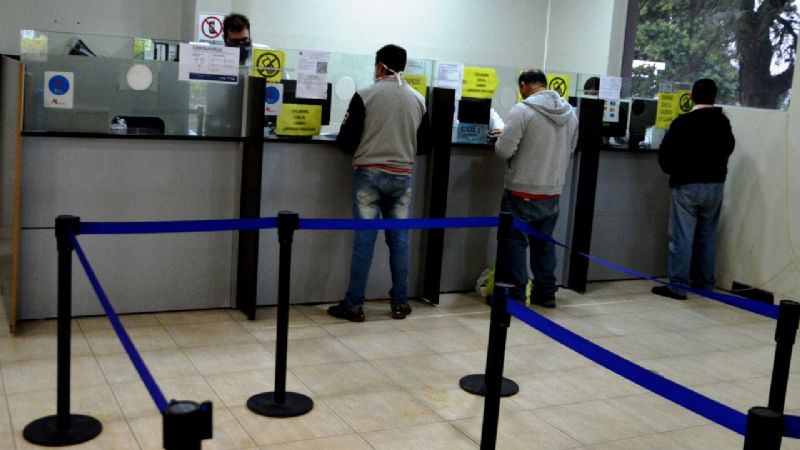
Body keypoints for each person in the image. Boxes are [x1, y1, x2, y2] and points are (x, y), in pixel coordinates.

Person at [327, 44, 429, 322]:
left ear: (380, 66)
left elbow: (346, 142)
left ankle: (354, 304)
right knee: (399, 243)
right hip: (403, 177)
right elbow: (424, 145)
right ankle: (399, 304)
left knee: (364, 242)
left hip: (369, 176)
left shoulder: (365, 94)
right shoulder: (418, 99)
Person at [494, 69, 578, 308]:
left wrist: (503, 137)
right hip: (552, 191)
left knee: (515, 244)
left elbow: (504, 151)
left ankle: (516, 296)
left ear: (523, 86)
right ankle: (546, 294)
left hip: (521, 190)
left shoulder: (522, 110)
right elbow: (569, 150)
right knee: (544, 244)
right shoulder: (570, 114)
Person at [651, 78, 735, 300]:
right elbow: (729, 148)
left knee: (682, 236)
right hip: (716, 186)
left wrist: (676, 172)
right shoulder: (723, 122)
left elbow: (666, 155)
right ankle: (705, 284)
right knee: (707, 236)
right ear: (714, 97)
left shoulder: (682, 123)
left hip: (687, 185)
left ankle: (678, 285)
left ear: (690, 97)